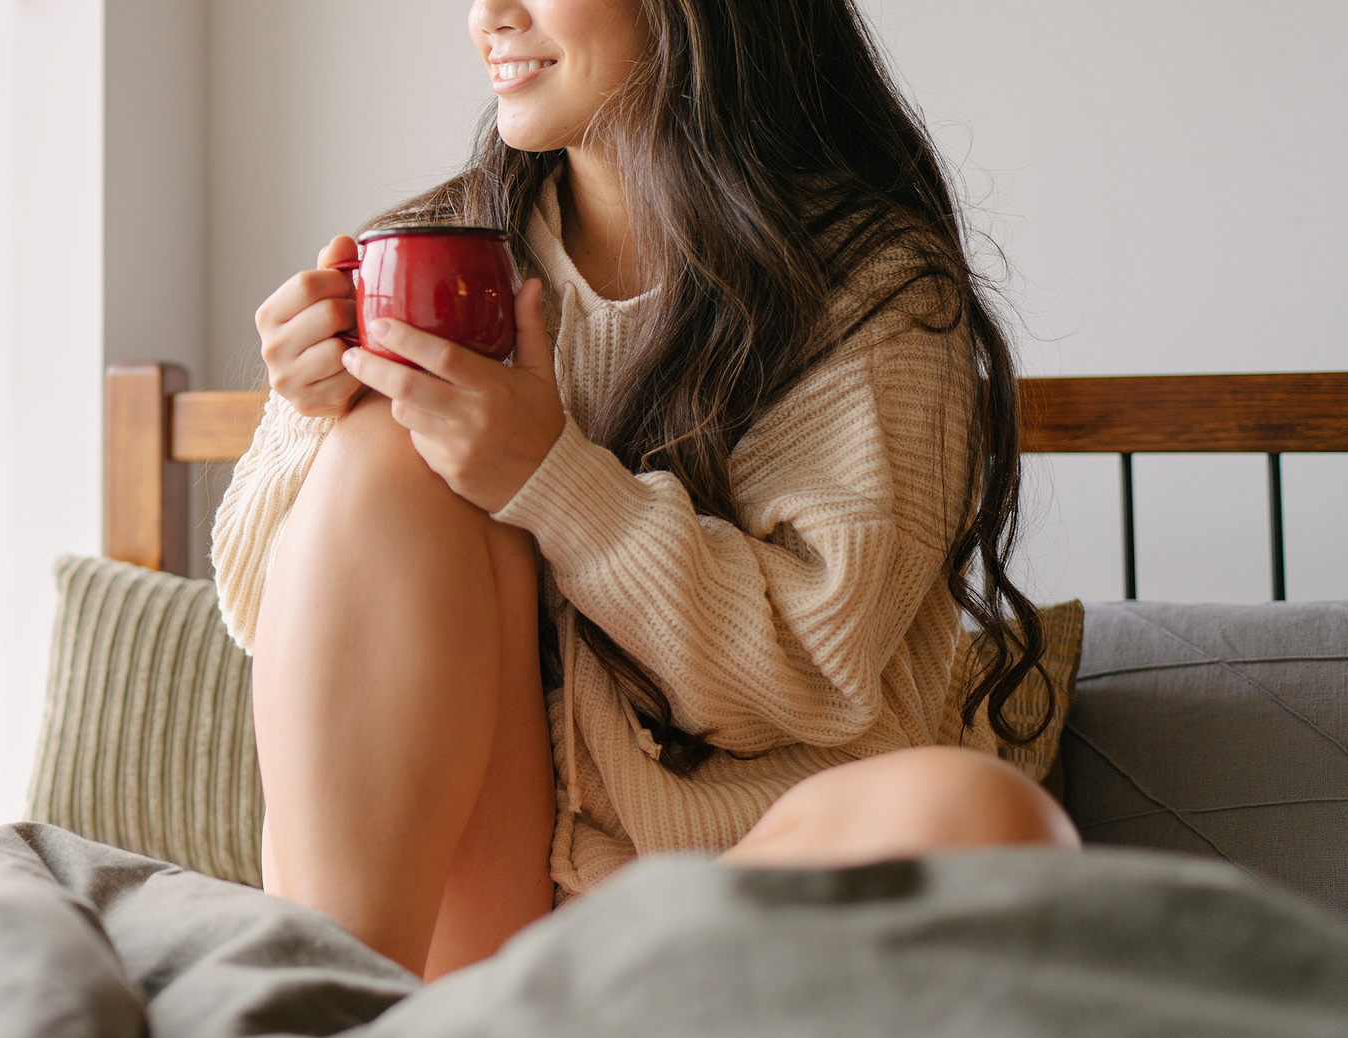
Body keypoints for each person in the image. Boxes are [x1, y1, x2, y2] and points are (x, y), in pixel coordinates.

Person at [211, 0, 1079, 981]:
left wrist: (556, 481)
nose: (486, 16)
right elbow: (271, 617)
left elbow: (817, 669)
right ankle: (324, 1002)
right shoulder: (439, 259)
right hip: (483, 928)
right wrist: (310, 407)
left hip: (731, 919)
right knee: (389, 450)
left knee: (980, 817)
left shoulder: (874, 288)